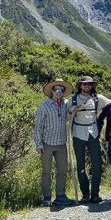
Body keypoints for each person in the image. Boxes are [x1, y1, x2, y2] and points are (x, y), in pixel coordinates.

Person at [68, 76, 111, 203]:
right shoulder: (73, 100)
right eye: (84, 84)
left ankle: (95, 194)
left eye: (89, 84)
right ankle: (85, 194)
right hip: (78, 134)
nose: (87, 86)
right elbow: (65, 114)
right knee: (81, 165)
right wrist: (72, 110)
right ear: (80, 85)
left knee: (97, 164)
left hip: (93, 134)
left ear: (92, 85)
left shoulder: (99, 98)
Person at [34, 78, 74, 206]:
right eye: (56, 89)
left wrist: (73, 111)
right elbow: (38, 126)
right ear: (52, 91)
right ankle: (46, 198)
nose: (59, 92)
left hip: (62, 144)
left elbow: (68, 117)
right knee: (46, 171)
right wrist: (38, 144)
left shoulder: (66, 104)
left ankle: (60, 196)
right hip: (47, 144)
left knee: (62, 171)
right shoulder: (43, 106)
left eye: (61, 90)